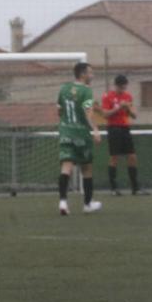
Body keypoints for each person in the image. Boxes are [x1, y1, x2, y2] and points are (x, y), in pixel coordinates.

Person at [57, 62, 103, 215]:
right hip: (81, 134)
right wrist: (95, 130)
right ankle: (88, 204)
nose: (93, 76)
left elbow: (59, 110)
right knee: (87, 169)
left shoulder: (63, 89)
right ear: (83, 74)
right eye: (91, 73)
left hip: (65, 132)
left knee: (66, 167)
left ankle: (63, 202)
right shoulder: (87, 91)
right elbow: (89, 113)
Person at [101, 75, 146, 196]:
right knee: (114, 157)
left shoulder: (128, 96)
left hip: (125, 128)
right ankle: (113, 188)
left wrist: (127, 109)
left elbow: (134, 116)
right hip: (113, 128)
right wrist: (118, 107)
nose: (123, 89)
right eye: (121, 87)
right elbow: (105, 114)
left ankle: (135, 188)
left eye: (125, 87)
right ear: (116, 85)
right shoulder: (107, 96)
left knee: (132, 156)